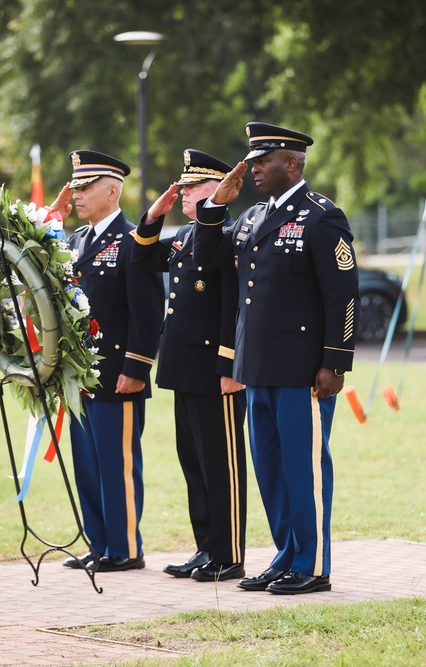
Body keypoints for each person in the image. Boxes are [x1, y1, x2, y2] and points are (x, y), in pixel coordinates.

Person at [193, 122, 360, 595]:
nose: (252, 169)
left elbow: (343, 295)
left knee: (302, 470)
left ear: (291, 163)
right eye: (251, 160)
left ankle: (313, 564)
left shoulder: (321, 216)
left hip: (301, 370)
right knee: (269, 468)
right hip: (257, 366)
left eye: (261, 161)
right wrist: (215, 205)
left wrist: (336, 361)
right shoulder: (249, 217)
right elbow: (209, 262)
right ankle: (286, 554)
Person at [130, 149, 248, 582]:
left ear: (217, 191)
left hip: (216, 371)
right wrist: (153, 218)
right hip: (184, 367)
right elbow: (140, 258)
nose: (181, 192)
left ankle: (229, 553)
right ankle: (206, 548)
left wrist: (230, 366)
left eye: (191, 187)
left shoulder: (228, 236)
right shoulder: (185, 234)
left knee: (222, 464)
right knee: (194, 461)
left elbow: (233, 305)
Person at [47, 150, 164, 571]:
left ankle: (126, 548)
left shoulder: (135, 242)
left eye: (84, 187)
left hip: (117, 375)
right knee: (89, 465)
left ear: (112, 191)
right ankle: (98, 543)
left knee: (117, 465)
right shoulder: (76, 242)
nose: (76, 195)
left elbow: (148, 312)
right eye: (74, 187)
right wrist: (53, 215)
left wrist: (136, 368)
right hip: (80, 379)